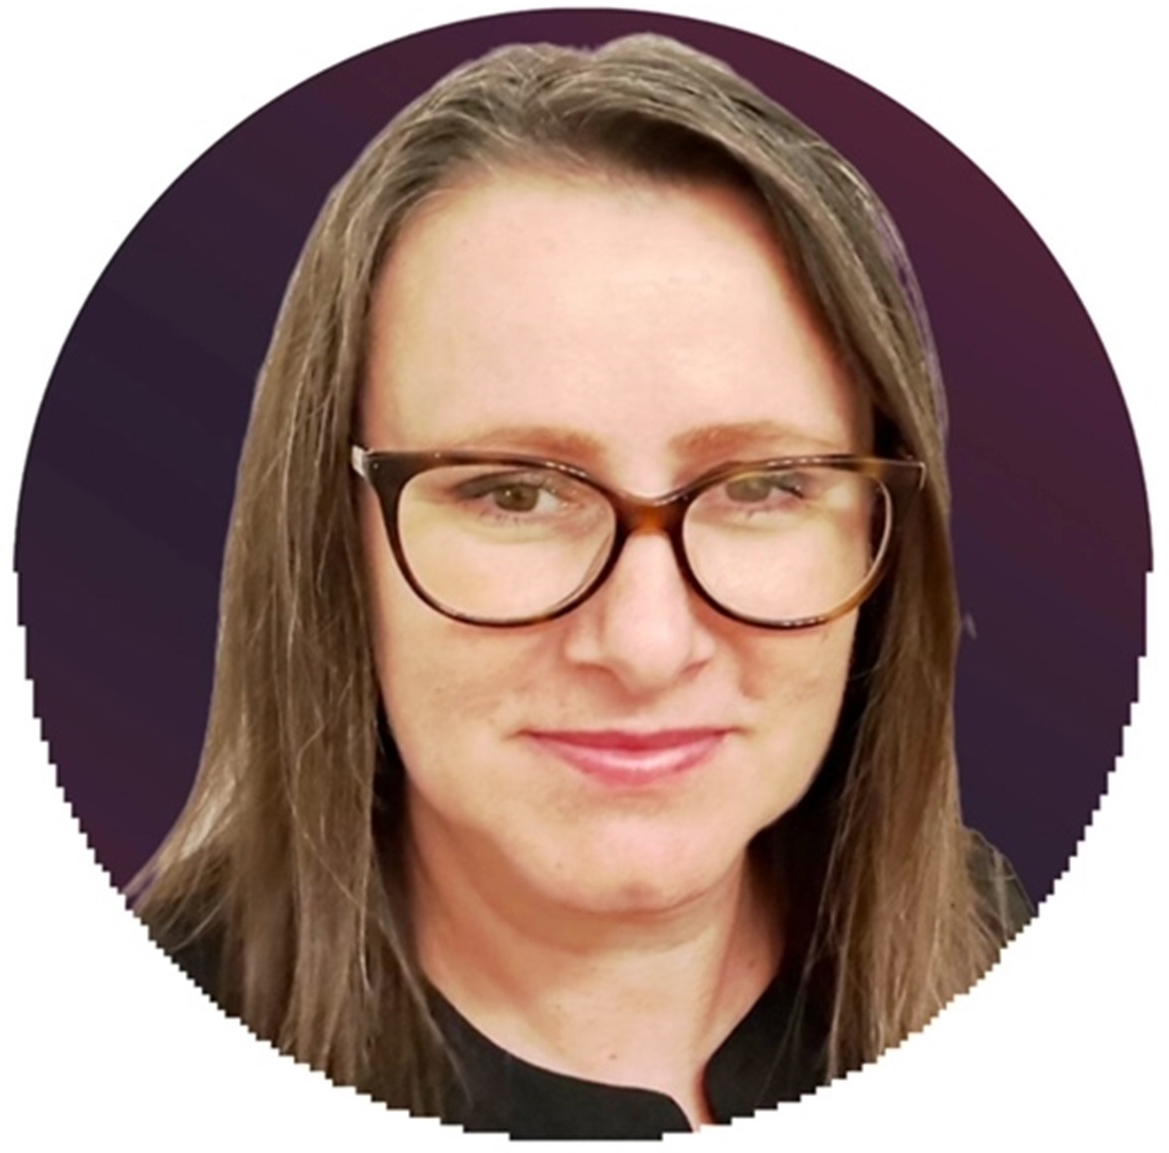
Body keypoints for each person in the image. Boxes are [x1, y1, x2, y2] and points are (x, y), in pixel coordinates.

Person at [131, 33, 1032, 1138]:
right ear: (334, 539)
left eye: (762, 485)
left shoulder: (1014, 960)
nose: (646, 645)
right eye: (513, 494)